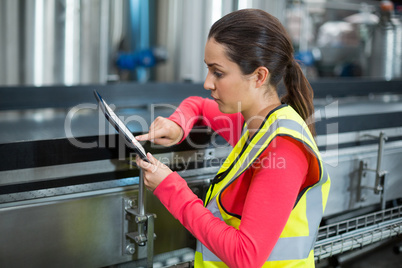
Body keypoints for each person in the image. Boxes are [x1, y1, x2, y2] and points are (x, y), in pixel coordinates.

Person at [135, 9, 331, 268]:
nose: (207, 82)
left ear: (259, 76)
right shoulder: (254, 122)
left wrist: (170, 186)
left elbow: (245, 256)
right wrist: (178, 124)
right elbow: (198, 105)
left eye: (218, 72)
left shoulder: (282, 148)